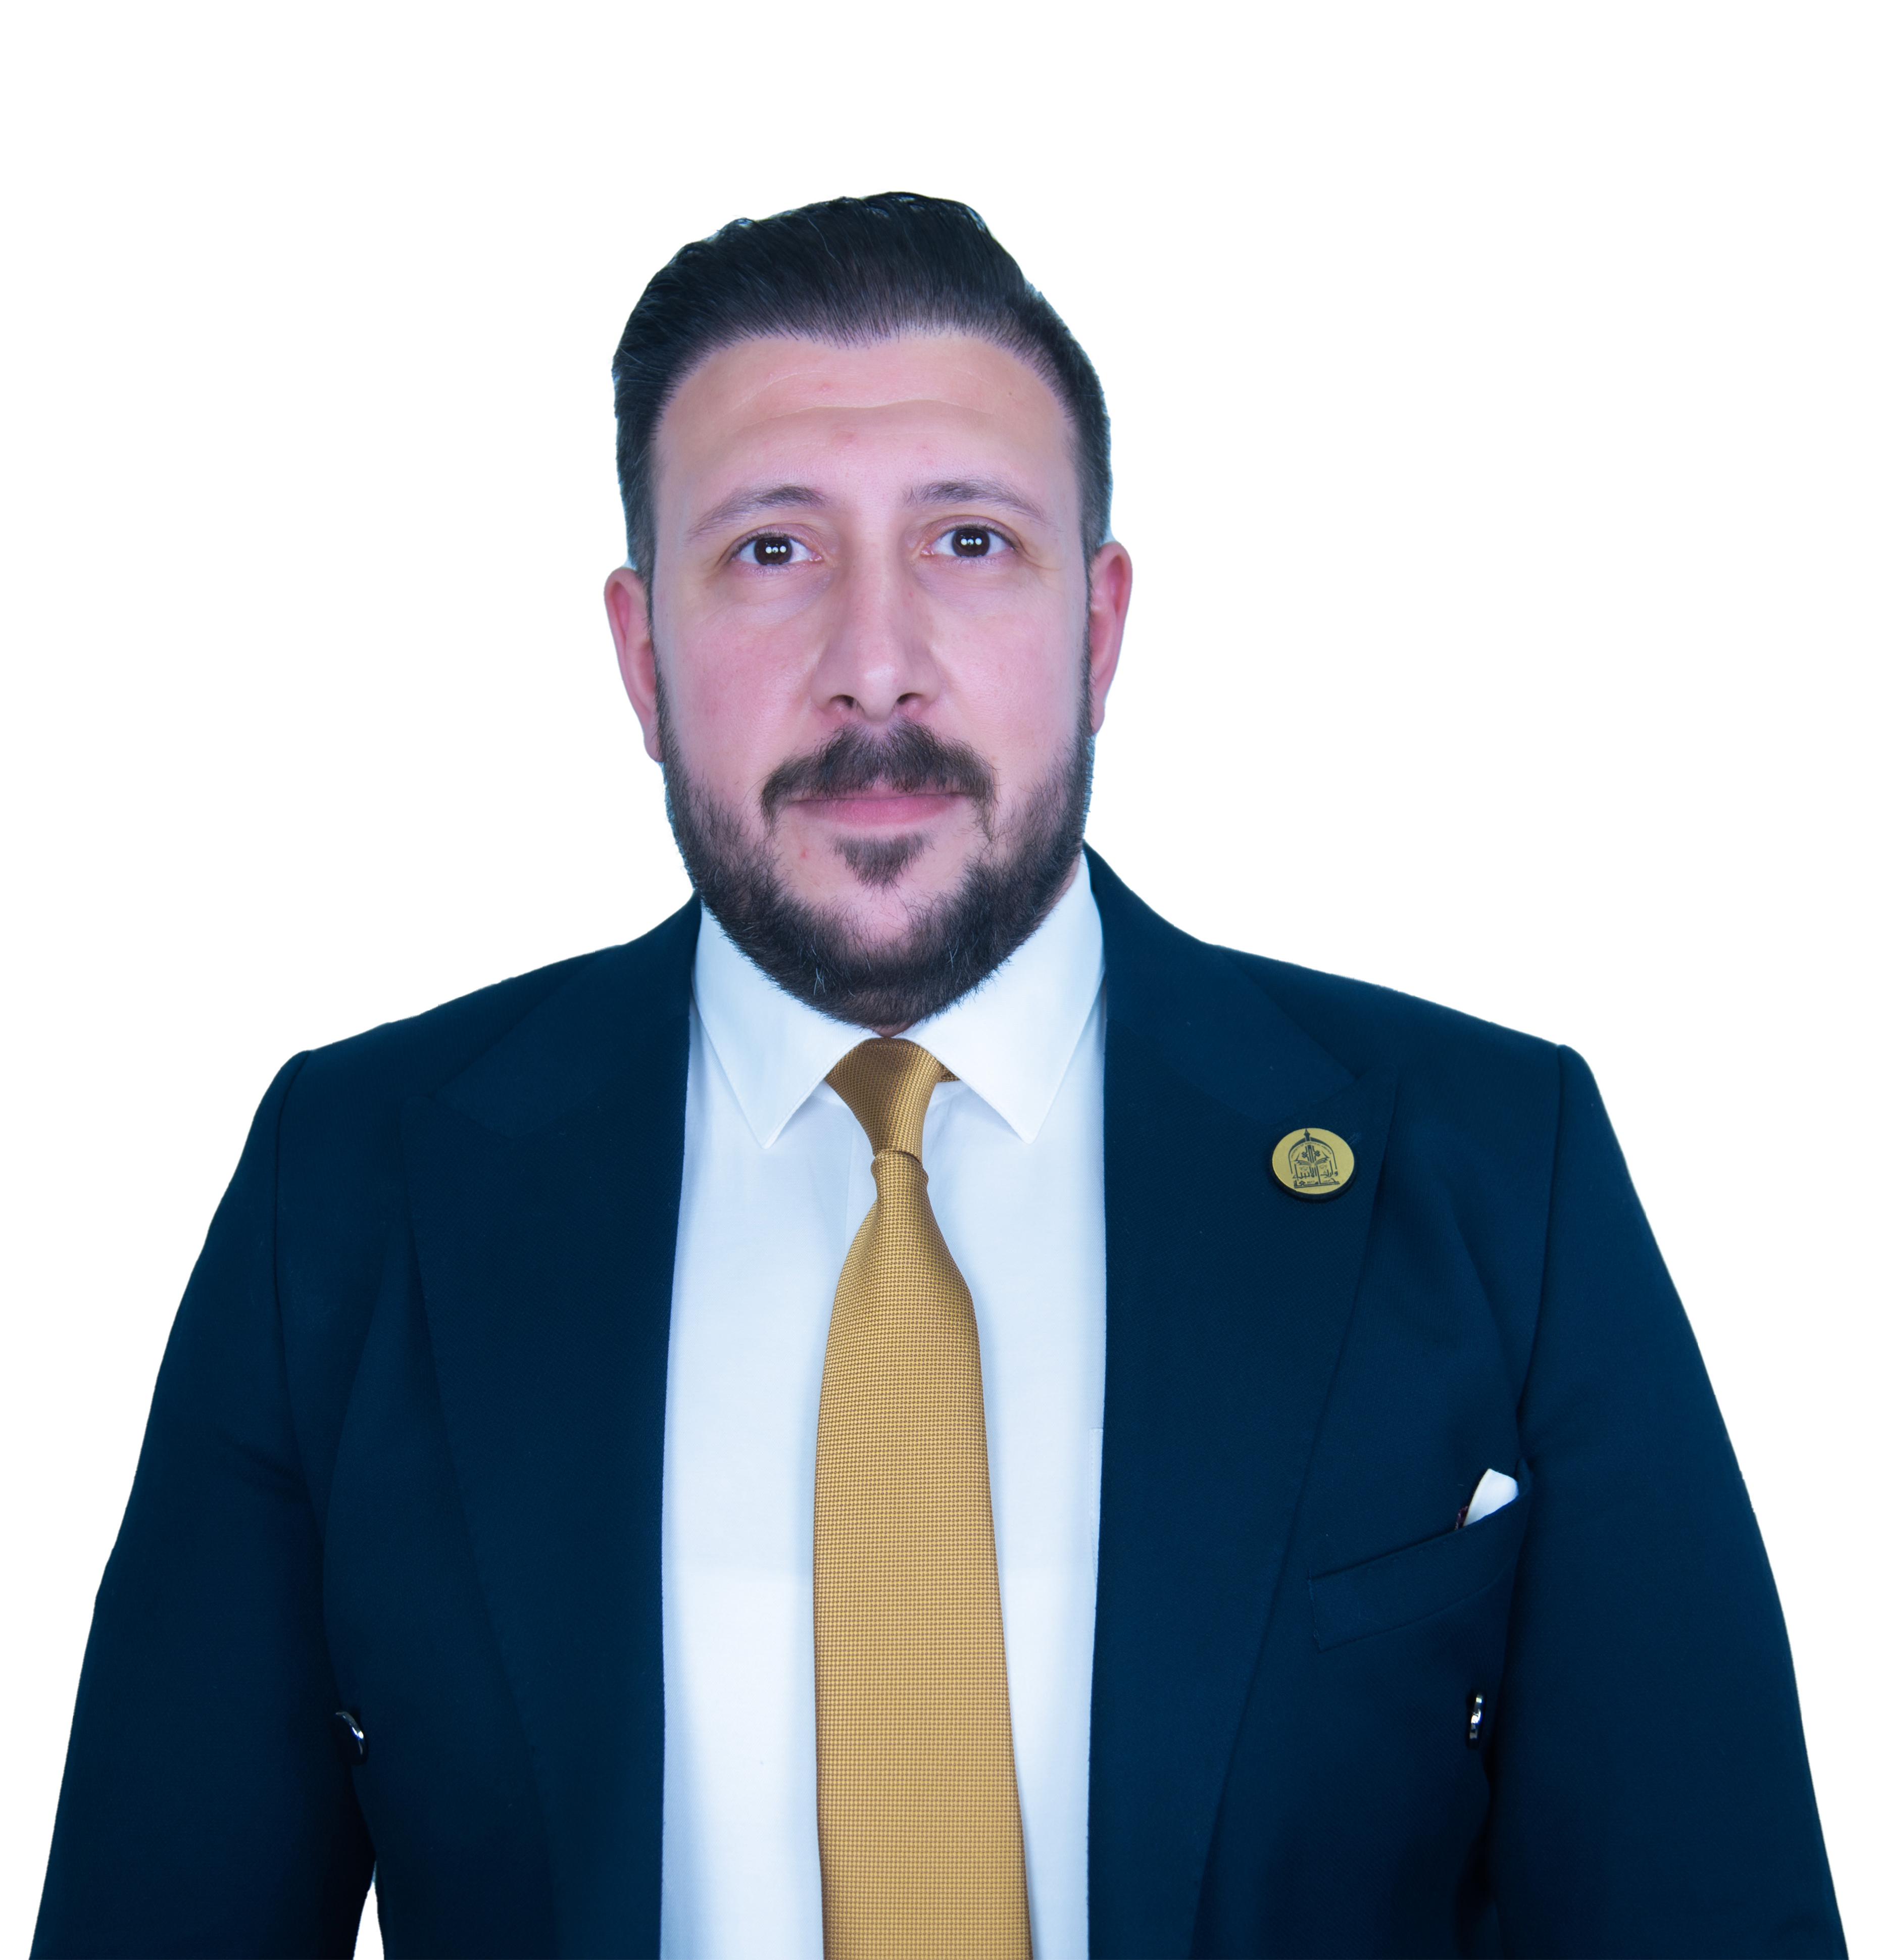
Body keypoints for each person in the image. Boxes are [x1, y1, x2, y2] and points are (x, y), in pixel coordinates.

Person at [33, 193, 1843, 1960]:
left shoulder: (1490, 1172)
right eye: (772, 551)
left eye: (969, 541)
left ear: (1099, 630)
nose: (874, 668)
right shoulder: (354, 1190)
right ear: (643, 656)